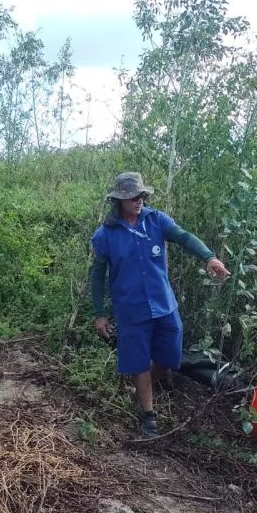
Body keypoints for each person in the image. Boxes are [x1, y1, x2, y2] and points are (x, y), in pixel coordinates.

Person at [89, 172, 230, 438]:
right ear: (119, 200)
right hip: (130, 309)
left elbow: (184, 237)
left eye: (141, 195)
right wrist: (99, 314)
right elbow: (97, 275)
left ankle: (142, 389)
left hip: (163, 304)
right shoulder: (106, 234)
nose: (138, 201)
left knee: (168, 357)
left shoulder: (155, 220)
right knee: (140, 361)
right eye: (132, 197)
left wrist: (209, 258)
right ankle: (148, 416)